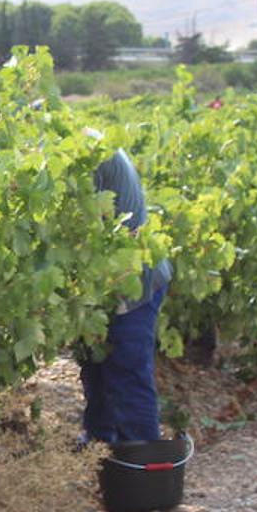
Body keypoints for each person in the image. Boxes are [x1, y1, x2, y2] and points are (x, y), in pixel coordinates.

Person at [79, 147, 174, 446]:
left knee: (127, 372)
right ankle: (100, 448)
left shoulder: (86, 157)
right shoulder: (89, 146)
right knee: (96, 367)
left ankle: (141, 461)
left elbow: (79, 227)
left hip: (131, 279)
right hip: (111, 279)